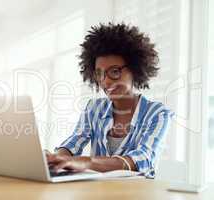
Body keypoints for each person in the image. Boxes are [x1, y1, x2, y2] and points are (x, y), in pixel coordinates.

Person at [46, 22, 174, 178]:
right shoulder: (94, 108)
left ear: (134, 69)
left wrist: (87, 162)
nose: (105, 82)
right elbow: (74, 142)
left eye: (114, 71)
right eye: (100, 73)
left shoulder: (157, 114)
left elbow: (143, 158)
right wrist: (57, 158)